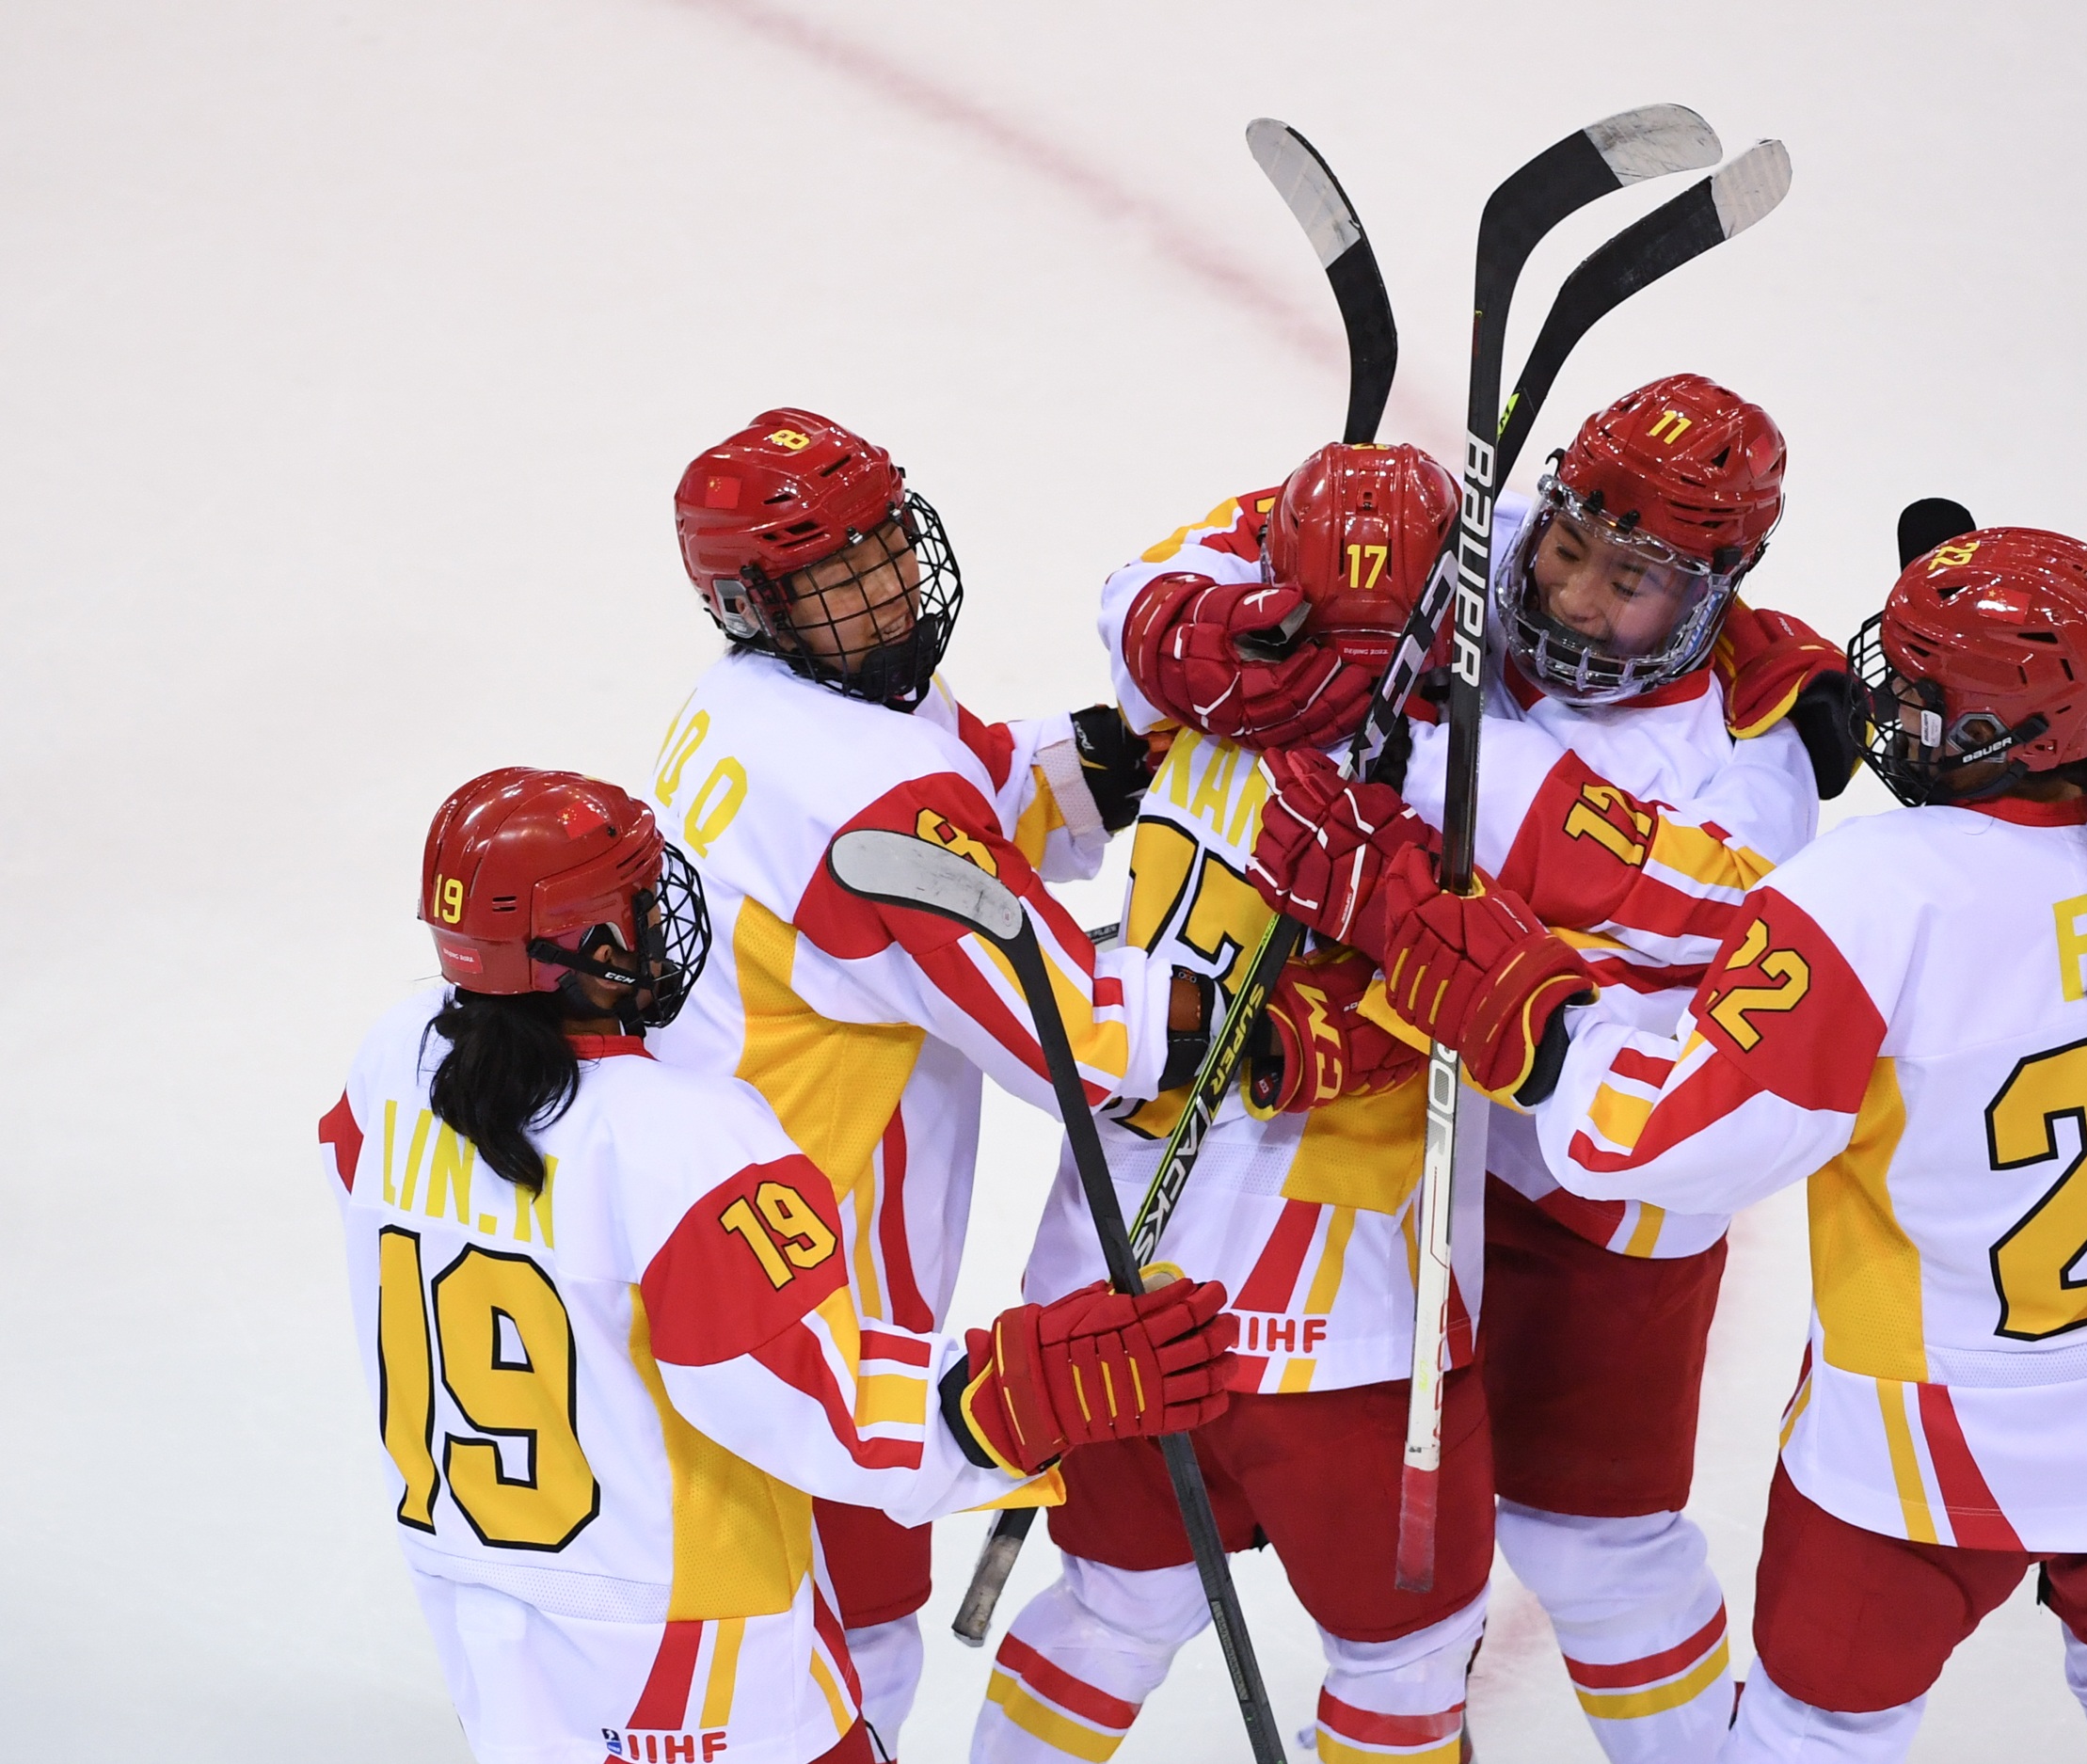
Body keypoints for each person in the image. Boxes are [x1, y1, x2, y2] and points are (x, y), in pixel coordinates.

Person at [1338, 528, 2087, 1762]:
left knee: (1816, 1733)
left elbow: (1662, 1144)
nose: (1889, 705)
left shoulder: (1868, 896)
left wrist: (1547, 1025)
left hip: (1931, 1442)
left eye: (1922, 692)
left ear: (1998, 731)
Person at [322, 768, 1237, 1764]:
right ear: (595, 953)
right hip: (693, 1669)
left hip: (492, 1637)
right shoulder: (683, 1139)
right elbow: (817, 1402)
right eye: (638, 901)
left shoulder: (390, 1068)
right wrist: (1023, 1389)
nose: (663, 915)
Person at [1240, 378, 1852, 1764]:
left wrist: (1429, 751)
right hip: (1402, 1152)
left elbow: (1712, 900)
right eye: (1570, 549)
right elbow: (1225, 548)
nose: (1572, 599)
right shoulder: (1486, 536)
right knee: (1409, 1536)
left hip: (1599, 1199)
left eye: (1629, 585)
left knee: (1594, 1542)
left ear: (1715, 591)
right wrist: (1204, 621)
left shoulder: (1756, 755)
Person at [644, 409, 1210, 1755]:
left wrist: (1148, 743)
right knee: (840, 1644)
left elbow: (983, 792)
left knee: (831, 1623)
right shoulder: (865, 791)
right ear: (755, 603)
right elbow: (1085, 1041)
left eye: (889, 544)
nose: (890, 586)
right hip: (802, 1280)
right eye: (840, 576)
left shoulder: (769, 702)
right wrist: (1270, 976)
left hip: (711, 1234)